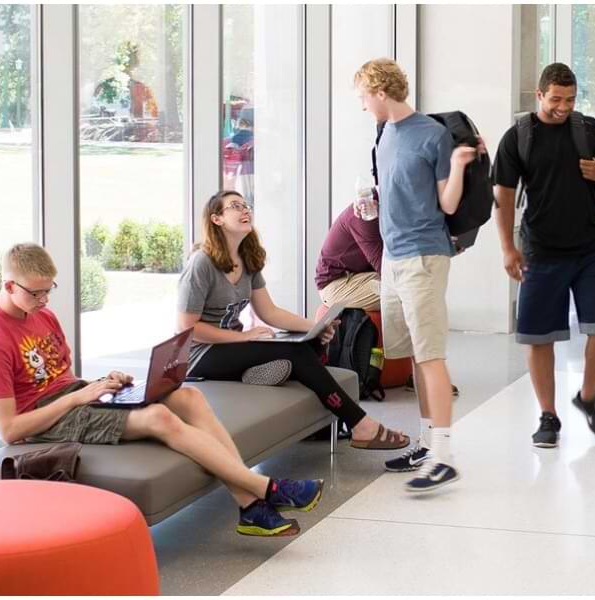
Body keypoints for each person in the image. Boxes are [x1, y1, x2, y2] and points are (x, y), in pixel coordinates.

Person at [0, 243, 324, 538]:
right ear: (8, 287)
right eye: (35, 292)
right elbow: (9, 429)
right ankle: (264, 490)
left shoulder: (42, 315)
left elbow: (59, 375)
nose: (44, 300)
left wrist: (101, 384)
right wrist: (77, 397)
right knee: (158, 416)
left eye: (49, 290)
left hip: (75, 397)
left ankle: (249, 507)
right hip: (48, 419)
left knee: (187, 395)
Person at [178, 191, 411, 451]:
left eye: (246, 205)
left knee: (311, 345)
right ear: (216, 219)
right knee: (296, 353)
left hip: (229, 348)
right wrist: (243, 336)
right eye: (234, 207)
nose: (245, 210)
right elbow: (187, 329)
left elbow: (270, 312)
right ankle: (362, 426)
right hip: (199, 356)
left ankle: (318, 427)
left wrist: (315, 328)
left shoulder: (247, 259)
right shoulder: (202, 263)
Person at [354, 57, 478, 492]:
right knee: (410, 359)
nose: (364, 105)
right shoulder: (384, 134)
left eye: (364, 97)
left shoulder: (432, 134)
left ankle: (444, 456)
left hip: (424, 257)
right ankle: (427, 444)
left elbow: (447, 204)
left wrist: (460, 164)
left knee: (431, 356)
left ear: (380, 93)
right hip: (393, 258)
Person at [492, 62, 595, 448]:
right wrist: (507, 248)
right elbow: (503, 195)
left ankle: (587, 397)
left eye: (570, 99)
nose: (563, 106)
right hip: (541, 250)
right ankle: (548, 415)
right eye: (555, 99)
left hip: (591, 249)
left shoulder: (588, 129)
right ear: (539, 94)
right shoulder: (519, 136)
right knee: (538, 337)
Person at [315, 192, 384, 311]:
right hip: (336, 284)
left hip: (359, 275)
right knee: (403, 293)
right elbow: (382, 266)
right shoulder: (365, 213)